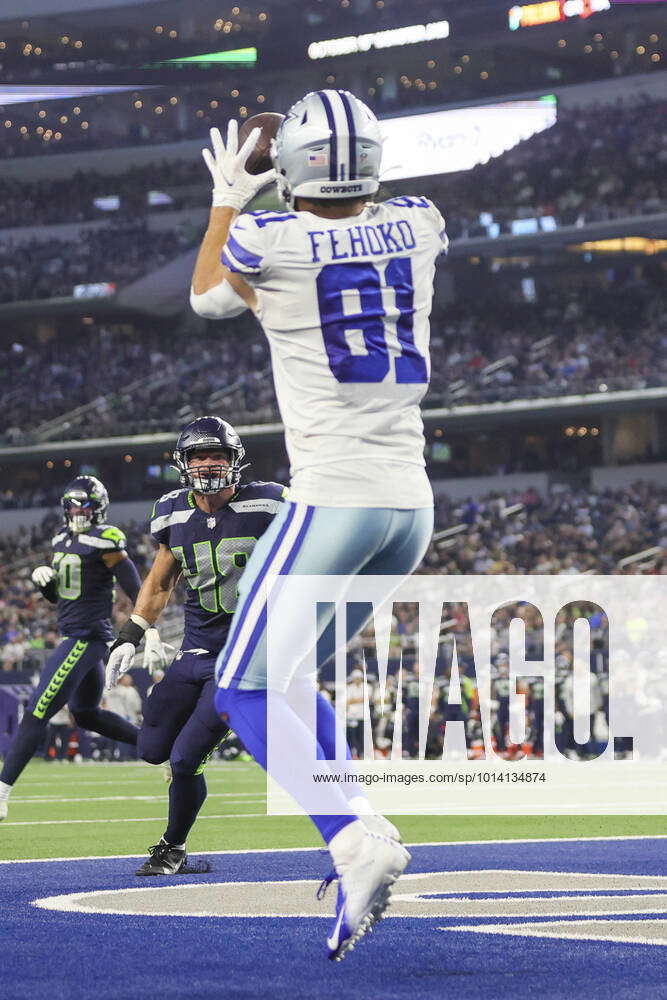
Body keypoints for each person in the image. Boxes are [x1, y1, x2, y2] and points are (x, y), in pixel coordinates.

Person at [190, 89, 447, 960]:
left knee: (239, 686)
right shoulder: (420, 222)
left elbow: (208, 298)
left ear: (291, 163)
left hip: (330, 499)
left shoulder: (268, 239)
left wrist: (232, 191)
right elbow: (340, 256)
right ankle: (365, 833)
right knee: (290, 675)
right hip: (408, 507)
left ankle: (350, 834)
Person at [105, 416, 286, 875]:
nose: (208, 464)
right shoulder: (171, 510)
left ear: (235, 460)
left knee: (185, 760)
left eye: (218, 455)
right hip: (195, 646)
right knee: (151, 749)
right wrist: (134, 631)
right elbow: (162, 579)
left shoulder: (270, 502)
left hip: (244, 654)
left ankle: (172, 848)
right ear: (183, 464)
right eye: (199, 456)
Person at [0, 476, 142, 820]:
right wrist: (47, 586)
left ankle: (2, 790)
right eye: (74, 505)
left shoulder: (105, 539)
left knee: (37, 709)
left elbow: (135, 587)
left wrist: (145, 627)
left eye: (86, 505)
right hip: (73, 631)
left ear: (99, 508)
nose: (79, 510)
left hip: (86, 637)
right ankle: (161, 746)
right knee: (87, 713)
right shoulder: (61, 538)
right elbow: (61, 597)